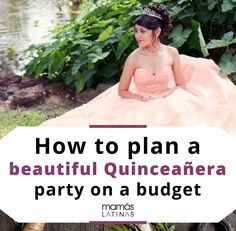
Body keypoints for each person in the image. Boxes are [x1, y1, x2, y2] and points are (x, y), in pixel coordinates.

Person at [41, 3, 236, 135]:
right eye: (136, 31)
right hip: (139, 100)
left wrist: (166, 95)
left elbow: (181, 86)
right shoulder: (133, 58)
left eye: (142, 31)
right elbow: (123, 90)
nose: (137, 36)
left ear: (157, 31)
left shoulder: (171, 53)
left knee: (188, 116)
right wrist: (140, 98)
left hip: (169, 97)